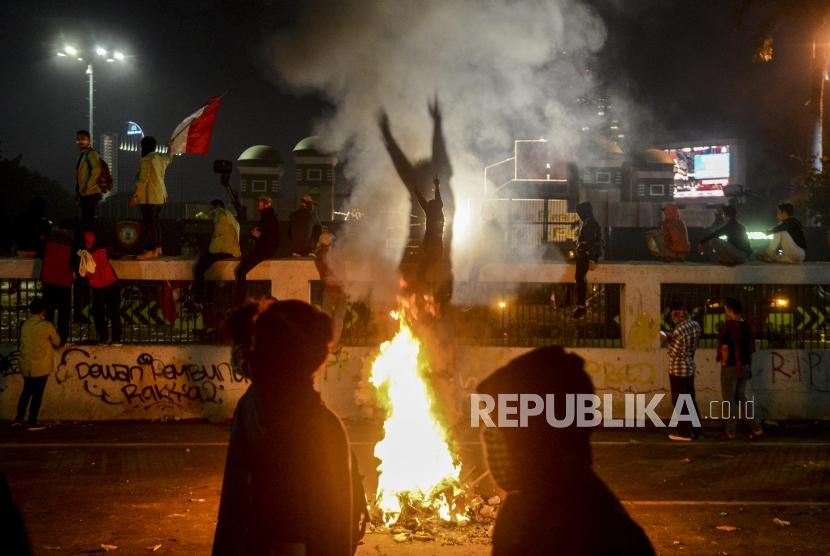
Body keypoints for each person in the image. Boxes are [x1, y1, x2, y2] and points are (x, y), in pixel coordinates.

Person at [212, 300, 367, 555]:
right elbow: (289, 538)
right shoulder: (313, 426)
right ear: (318, 360)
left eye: (252, 345)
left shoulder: (254, 406)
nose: (244, 354)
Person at [477, 346, 655, 555]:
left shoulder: (589, 529)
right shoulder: (529, 503)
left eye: (501, 430)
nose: (490, 441)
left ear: (535, 437)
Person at [717, 298, 764, 440]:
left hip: (731, 366)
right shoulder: (748, 326)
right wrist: (749, 366)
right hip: (745, 366)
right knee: (741, 398)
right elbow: (751, 349)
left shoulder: (729, 326)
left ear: (730, 310)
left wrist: (724, 364)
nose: (725, 311)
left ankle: (730, 431)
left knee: (728, 399)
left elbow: (725, 348)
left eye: (726, 309)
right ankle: (756, 429)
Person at [13, 298, 61, 431]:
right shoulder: (46, 325)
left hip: (26, 365)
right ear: (43, 311)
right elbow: (57, 342)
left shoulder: (24, 325)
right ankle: (32, 421)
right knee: (37, 395)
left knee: (26, 392)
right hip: (40, 366)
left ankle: (18, 418)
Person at [662, 300, 702, 441]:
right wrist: (673, 337)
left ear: (676, 314)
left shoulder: (678, 330)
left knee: (680, 400)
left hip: (678, 369)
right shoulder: (695, 325)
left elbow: (674, 352)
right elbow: (688, 344)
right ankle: (696, 430)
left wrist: (668, 340)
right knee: (690, 399)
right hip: (690, 366)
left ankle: (685, 433)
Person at [130, 137, 173, 260]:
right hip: (160, 196)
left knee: (149, 224)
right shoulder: (160, 158)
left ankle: (151, 250)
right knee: (155, 223)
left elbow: (143, 180)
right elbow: (169, 158)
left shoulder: (146, 160)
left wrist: (135, 196)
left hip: (149, 197)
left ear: (144, 147)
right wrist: (170, 147)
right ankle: (158, 248)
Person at [192, 200, 241, 306]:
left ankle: (198, 299)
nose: (210, 210)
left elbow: (217, 235)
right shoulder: (229, 216)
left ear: (217, 207)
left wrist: (211, 248)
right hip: (230, 250)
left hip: (223, 250)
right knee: (207, 268)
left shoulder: (220, 215)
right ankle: (207, 299)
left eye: (211, 208)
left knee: (199, 269)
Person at [78, 231, 122, 345]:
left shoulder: (83, 255)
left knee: (99, 315)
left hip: (97, 288)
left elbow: (86, 274)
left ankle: (103, 338)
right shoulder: (104, 250)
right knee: (114, 313)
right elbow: (117, 254)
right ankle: (116, 339)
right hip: (111, 283)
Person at [235, 195, 280, 304]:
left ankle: (239, 300)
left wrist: (254, 233)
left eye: (260, 202)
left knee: (241, 271)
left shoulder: (267, 216)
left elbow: (263, 234)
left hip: (264, 250)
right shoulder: (270, 216)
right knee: (241, 270)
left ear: (266, 204)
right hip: (267, 249)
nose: (258, 204)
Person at [40, 220, 76, 345]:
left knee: (48, 311)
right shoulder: (72, 243)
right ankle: (61, 339)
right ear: (70, 231)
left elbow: (41, 254)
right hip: (64, 281)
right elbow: (74, 262)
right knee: (64, 313)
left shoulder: (49, 239)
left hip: (48, 279)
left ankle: (46, 337)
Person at [314, 228, 348, 353]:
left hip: (329, 290)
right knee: (339, 318)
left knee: (326, 317)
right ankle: (334, 345)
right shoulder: (337, 254)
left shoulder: (319, 256)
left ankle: (324, 343)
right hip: (342, 289)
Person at [572, 201, 602, 319]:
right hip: (585, 254)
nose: (579, 215)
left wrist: (591, 259)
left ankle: (581, 306)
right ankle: (578, 305)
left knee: (579, 278)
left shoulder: (589, 223)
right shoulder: (589, 222)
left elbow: (591, 242)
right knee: (578, 278)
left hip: (586, 255)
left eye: (580, 212)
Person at [75, 129, 103, 233]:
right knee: (86, 221)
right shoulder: (83, 155)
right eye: (78, 139)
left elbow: (97, 169)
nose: (80, 141)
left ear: (89, 140)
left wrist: (87, 187)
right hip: (85, 194)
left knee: (88, 222)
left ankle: (89, 245)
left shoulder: (91, 154)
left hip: (90, 194)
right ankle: (87, 245)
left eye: (83, 139)